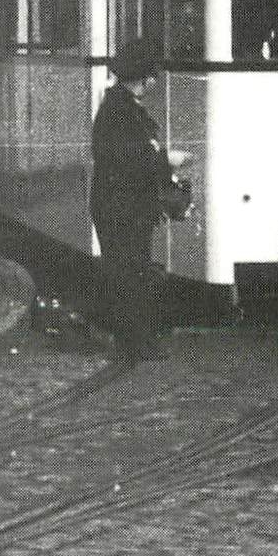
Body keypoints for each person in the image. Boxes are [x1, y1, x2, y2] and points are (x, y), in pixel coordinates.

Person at [90, 38, 191, 352]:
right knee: (129, 273)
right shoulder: (120, 110)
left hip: (123, 204)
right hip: (121, 206)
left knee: (129, 271)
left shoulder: (119, 106)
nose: (153, 82)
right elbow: (126, 159)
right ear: (144, 76)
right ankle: (135, 342)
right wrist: (167, 160)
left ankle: (134, 339)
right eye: (151, 75)